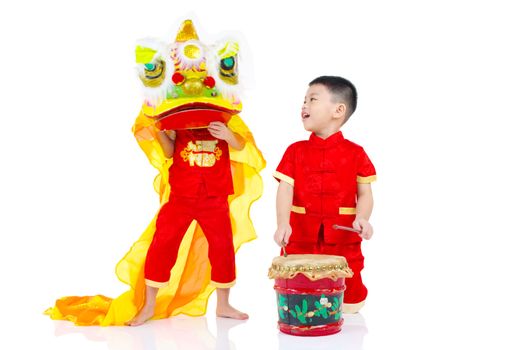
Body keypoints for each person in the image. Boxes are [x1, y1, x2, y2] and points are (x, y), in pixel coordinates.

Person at [127, 121, 249, 326]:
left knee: (222, 248)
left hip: (214, 197)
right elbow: (168, 153)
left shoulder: (223, 116)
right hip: (181, 196)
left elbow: (240, 144)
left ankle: (223, 304)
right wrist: (161, 131)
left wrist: (227, 134)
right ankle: (149, 305)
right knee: (162, 244)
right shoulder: (179, 117)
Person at [273, 76, 376, 314]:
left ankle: (348, 324)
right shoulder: (295, 150)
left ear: (338, 110)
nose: (304, 106)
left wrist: (362, 218)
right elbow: (285, 188)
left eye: (313, 99)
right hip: (300, 234)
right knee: (298, 283)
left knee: (349, 288)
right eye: (304, 100)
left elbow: (365, 194)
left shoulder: (356, 153)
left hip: (342, 236)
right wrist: (282, 224)